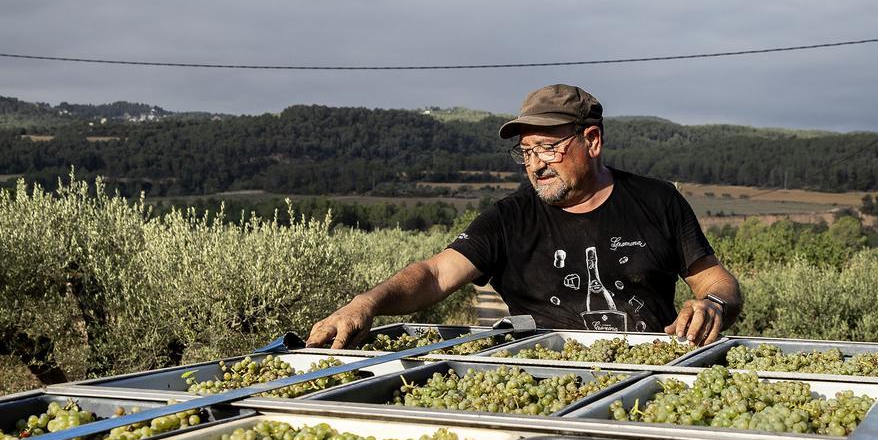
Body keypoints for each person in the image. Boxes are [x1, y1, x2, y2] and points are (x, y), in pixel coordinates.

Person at [307, 84, 742, 348]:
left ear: (591, 141)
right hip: (542, 382)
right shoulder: (508, 218)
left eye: (548, 148)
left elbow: (715, 281)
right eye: (527, 151)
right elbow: (435, 274)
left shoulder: (657, 201)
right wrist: (366, 303)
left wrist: (712, 304)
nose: (535, 164)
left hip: (647, 379)